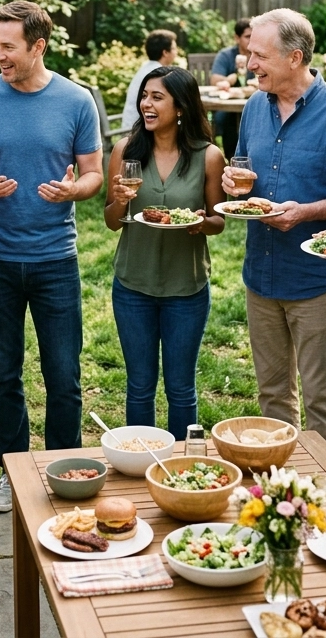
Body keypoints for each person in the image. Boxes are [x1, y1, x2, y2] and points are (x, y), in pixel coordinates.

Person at [0, 0, 103, 513]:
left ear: (38, 46)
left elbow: (94, 174)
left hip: (55, 259)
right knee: (4, 375)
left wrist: (74, 191)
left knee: (64, 376)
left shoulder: (76, 100)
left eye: (8, 47)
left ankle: (64, 471)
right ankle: (12, 471)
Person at [221, 8, 326, 453]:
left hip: (316, 283)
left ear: (295, 57)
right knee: (272, 395)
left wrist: (305, 212)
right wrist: (235, 182)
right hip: (261, 276)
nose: (250, 63)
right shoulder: (255, 107)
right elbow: (244, 166)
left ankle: (325, 488)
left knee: (321, 398)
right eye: (250, 53)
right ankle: (280, 486)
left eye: (260, 55)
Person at [104, 66, 225, 438]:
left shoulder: (209, 156)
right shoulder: (126, 150)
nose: (146, 104)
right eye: (145, 96)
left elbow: (218, 221)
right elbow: (111, 221)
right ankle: (140, 460)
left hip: (186, 288)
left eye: (157, 97)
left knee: (181, 388)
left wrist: (201, 222)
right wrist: (119, 201)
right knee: (140, 386)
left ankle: (182, 464)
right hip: (133, 285)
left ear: (181, 107)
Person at [210, 18, 254, 157]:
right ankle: (232, 158)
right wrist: (230, 79)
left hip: (253, 101)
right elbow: (215, 80)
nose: (251, 40)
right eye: (247, 36)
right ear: (237, 38)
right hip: (229, 104)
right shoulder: (227, 55)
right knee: (225, 117)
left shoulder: (258, 54)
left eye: (253, 36)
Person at [121, 29, 178, 130]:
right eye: (174, 48)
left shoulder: (147, 67)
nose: (176, 52)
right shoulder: (157, 75)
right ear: (165, 52)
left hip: (139, 125)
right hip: (138, 129)